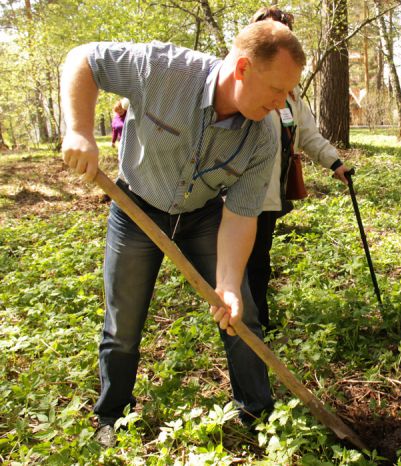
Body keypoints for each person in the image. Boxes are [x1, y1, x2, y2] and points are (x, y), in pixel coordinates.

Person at [60, 21, 306, 448]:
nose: (282, 104)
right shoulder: (163, 69)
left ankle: (259, 415)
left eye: (288, 94)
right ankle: (111, 416)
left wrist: (227, 284)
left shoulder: (264, 135)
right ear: (243, 68)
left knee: (241, 312)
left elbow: (241, 215)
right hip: (136, 207)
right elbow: (82, 59)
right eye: (278, 90)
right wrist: (79, 129)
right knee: (123, 323)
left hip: (203, 217)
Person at [246, 6, 351, 330]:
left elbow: (308, 135)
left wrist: (335, 163)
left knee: (259, 260)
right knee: (238, 260)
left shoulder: (291, 99)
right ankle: (242, 321)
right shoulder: (240, 83)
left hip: (268, 196)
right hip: (232, 192)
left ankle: (256, 321)